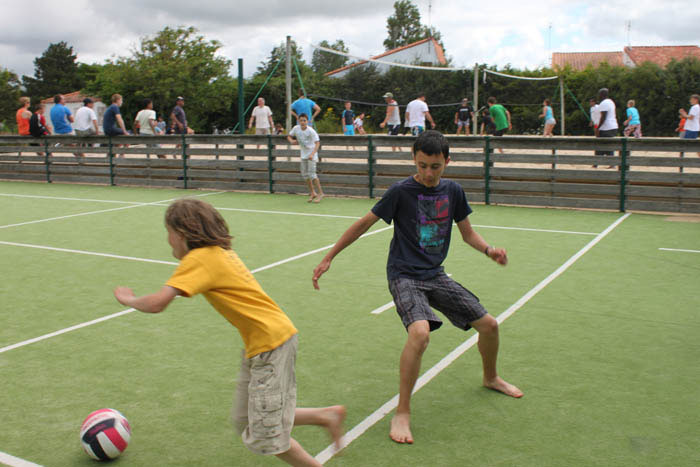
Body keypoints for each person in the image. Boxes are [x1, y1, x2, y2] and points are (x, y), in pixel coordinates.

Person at [312, 130, 522, 445]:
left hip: (435, 275)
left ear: (447, 162)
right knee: (420, 332)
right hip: (403, 274)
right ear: (414, 158)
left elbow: (468, 235)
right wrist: (329, 257)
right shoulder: (400, 191)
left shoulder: (453, 191)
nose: (427, 173)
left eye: (435, 166)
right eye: (422, 165)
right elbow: (362, 224)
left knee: (490, 325)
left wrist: (489, 250)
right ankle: (403, 411)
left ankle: (490, 377)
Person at [113, 198, 346, 467]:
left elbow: (157, 303)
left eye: (168, 233)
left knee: (266, 436)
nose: (168, 241)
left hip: (271, 345)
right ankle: (325, 416)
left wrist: (128, 299)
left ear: (181, 233)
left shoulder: (199, 258)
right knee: (245, 418)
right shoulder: (219, 252)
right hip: (263, 343)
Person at [287, 114, 324, 203]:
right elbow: (289, 136)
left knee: (312, 175)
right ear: (298, 121)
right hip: (303, 155)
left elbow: (317, 143)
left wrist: (312, 154)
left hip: (312, 155)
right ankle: (312, 193)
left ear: (307, 121)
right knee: (304, 175)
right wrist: (291, 141)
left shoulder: (311, 131)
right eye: (301, 120)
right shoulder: (296, 128)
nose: (303, 122)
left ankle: (321, 193)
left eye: (304, 120)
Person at [594, 88, 618, 165]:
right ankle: (597, 163)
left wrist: (598, 128)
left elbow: (603, 117)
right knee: (606, 145)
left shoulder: (604, 103)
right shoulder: (611, 102)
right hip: (613, 126)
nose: (598, 96)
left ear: (602, 95)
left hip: (606, 127)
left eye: (599, 94)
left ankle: (599, 163)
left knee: (602, 145)